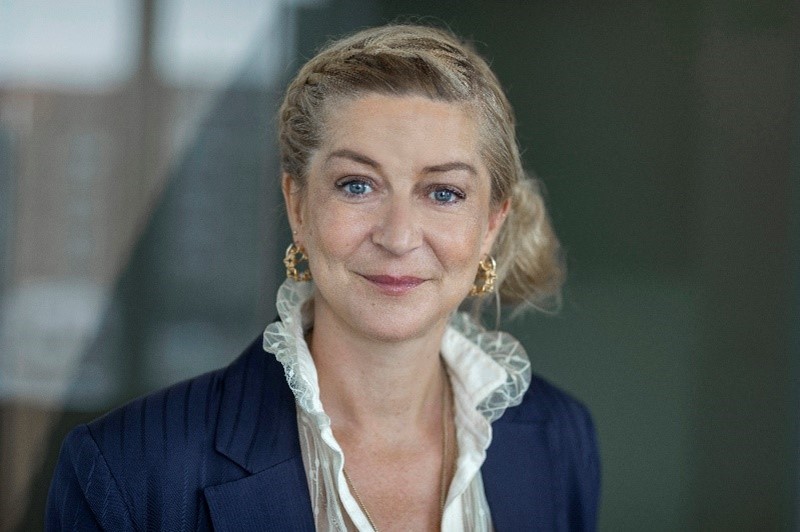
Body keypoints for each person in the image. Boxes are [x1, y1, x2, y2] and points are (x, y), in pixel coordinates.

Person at [46, 24, 599, 531]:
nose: (399, 236)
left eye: (444, 193)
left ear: (491, 225)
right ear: (298, 206)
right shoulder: (127, 471)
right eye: (357, 185)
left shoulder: (560, 441)